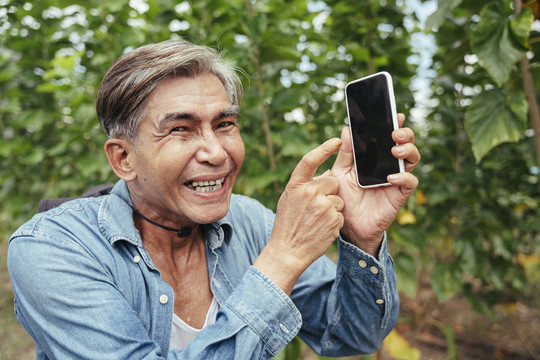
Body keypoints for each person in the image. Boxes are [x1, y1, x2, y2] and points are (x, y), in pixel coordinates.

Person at [8, 40, 420, 359]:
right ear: (123, 158)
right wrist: (281, 259)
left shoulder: (250, 221)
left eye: (225, 124)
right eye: (180, 130)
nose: (217, 152)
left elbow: (353, 334)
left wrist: (361, 241)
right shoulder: (51, 250)